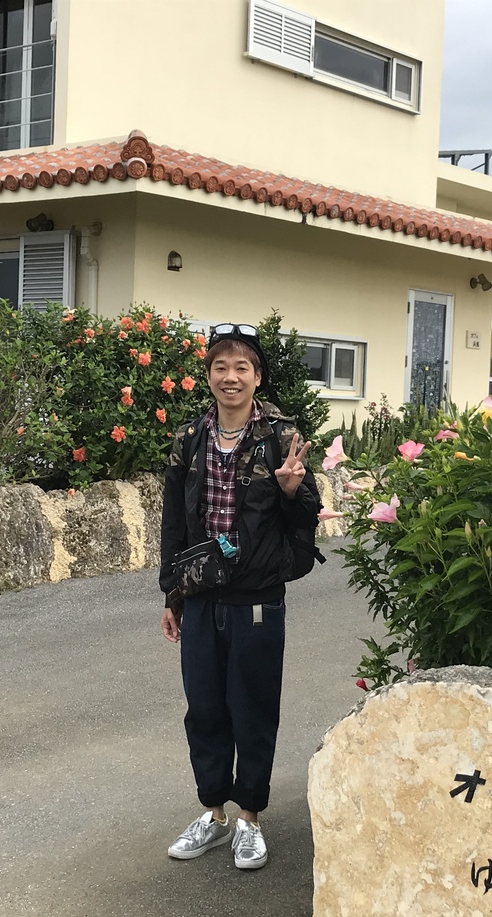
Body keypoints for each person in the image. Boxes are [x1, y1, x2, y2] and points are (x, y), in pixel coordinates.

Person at [158, 322, 320, 870]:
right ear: (209, 375)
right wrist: (172, 595)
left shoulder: (281, 437)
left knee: (251, 709)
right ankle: (213, 812)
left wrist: (293, 491)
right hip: (201, 595)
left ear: (257, 376)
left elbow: (307, 512)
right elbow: (175, 522)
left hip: (256, 597)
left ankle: (250, 816)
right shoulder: (189, 439)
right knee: (204, 709)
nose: (231, 377)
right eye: (220, 366)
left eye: (242, 367)